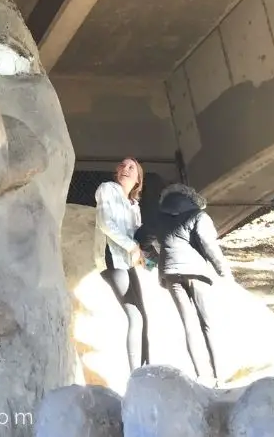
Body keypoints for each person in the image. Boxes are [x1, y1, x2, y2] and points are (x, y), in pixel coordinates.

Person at [151, 183, 233, 388]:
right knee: (208, 323)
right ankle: (219, 376)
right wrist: (224, 272)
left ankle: (201, 377)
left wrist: (155, 257)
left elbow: (145, 239)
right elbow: (209, 246)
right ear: (193, 198)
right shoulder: (198, 215)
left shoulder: (159, 217)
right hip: (196, 272)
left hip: (170, 274)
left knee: (189, 324)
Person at [95, 157, 150, 372]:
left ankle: (147, 367)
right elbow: (105, 223)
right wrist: (132, 247)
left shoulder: (134, 204)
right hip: (111, 258)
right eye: (122, 165)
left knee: (142, 313)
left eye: (131, 167)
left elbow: (136, 233)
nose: (125, 169)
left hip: (127, 260)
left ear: (138, 179)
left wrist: (143, 250)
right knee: (134, 314)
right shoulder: (107, 189)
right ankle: (136, 373)